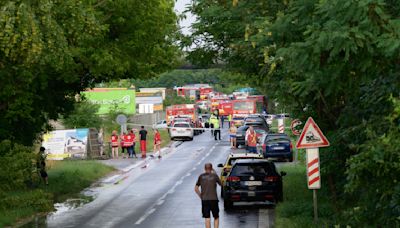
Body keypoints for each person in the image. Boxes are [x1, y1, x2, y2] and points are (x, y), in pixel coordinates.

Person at [195, 163, 221, 228]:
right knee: (216, 217)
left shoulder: (201, 176)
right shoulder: (214, 176)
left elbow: (196, 188)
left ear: (204, 168)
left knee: (207, 218)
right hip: (214, 200)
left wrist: (201, 196)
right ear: (211, 168)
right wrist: (214, 172)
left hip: (205, 200)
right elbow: (221, 184)